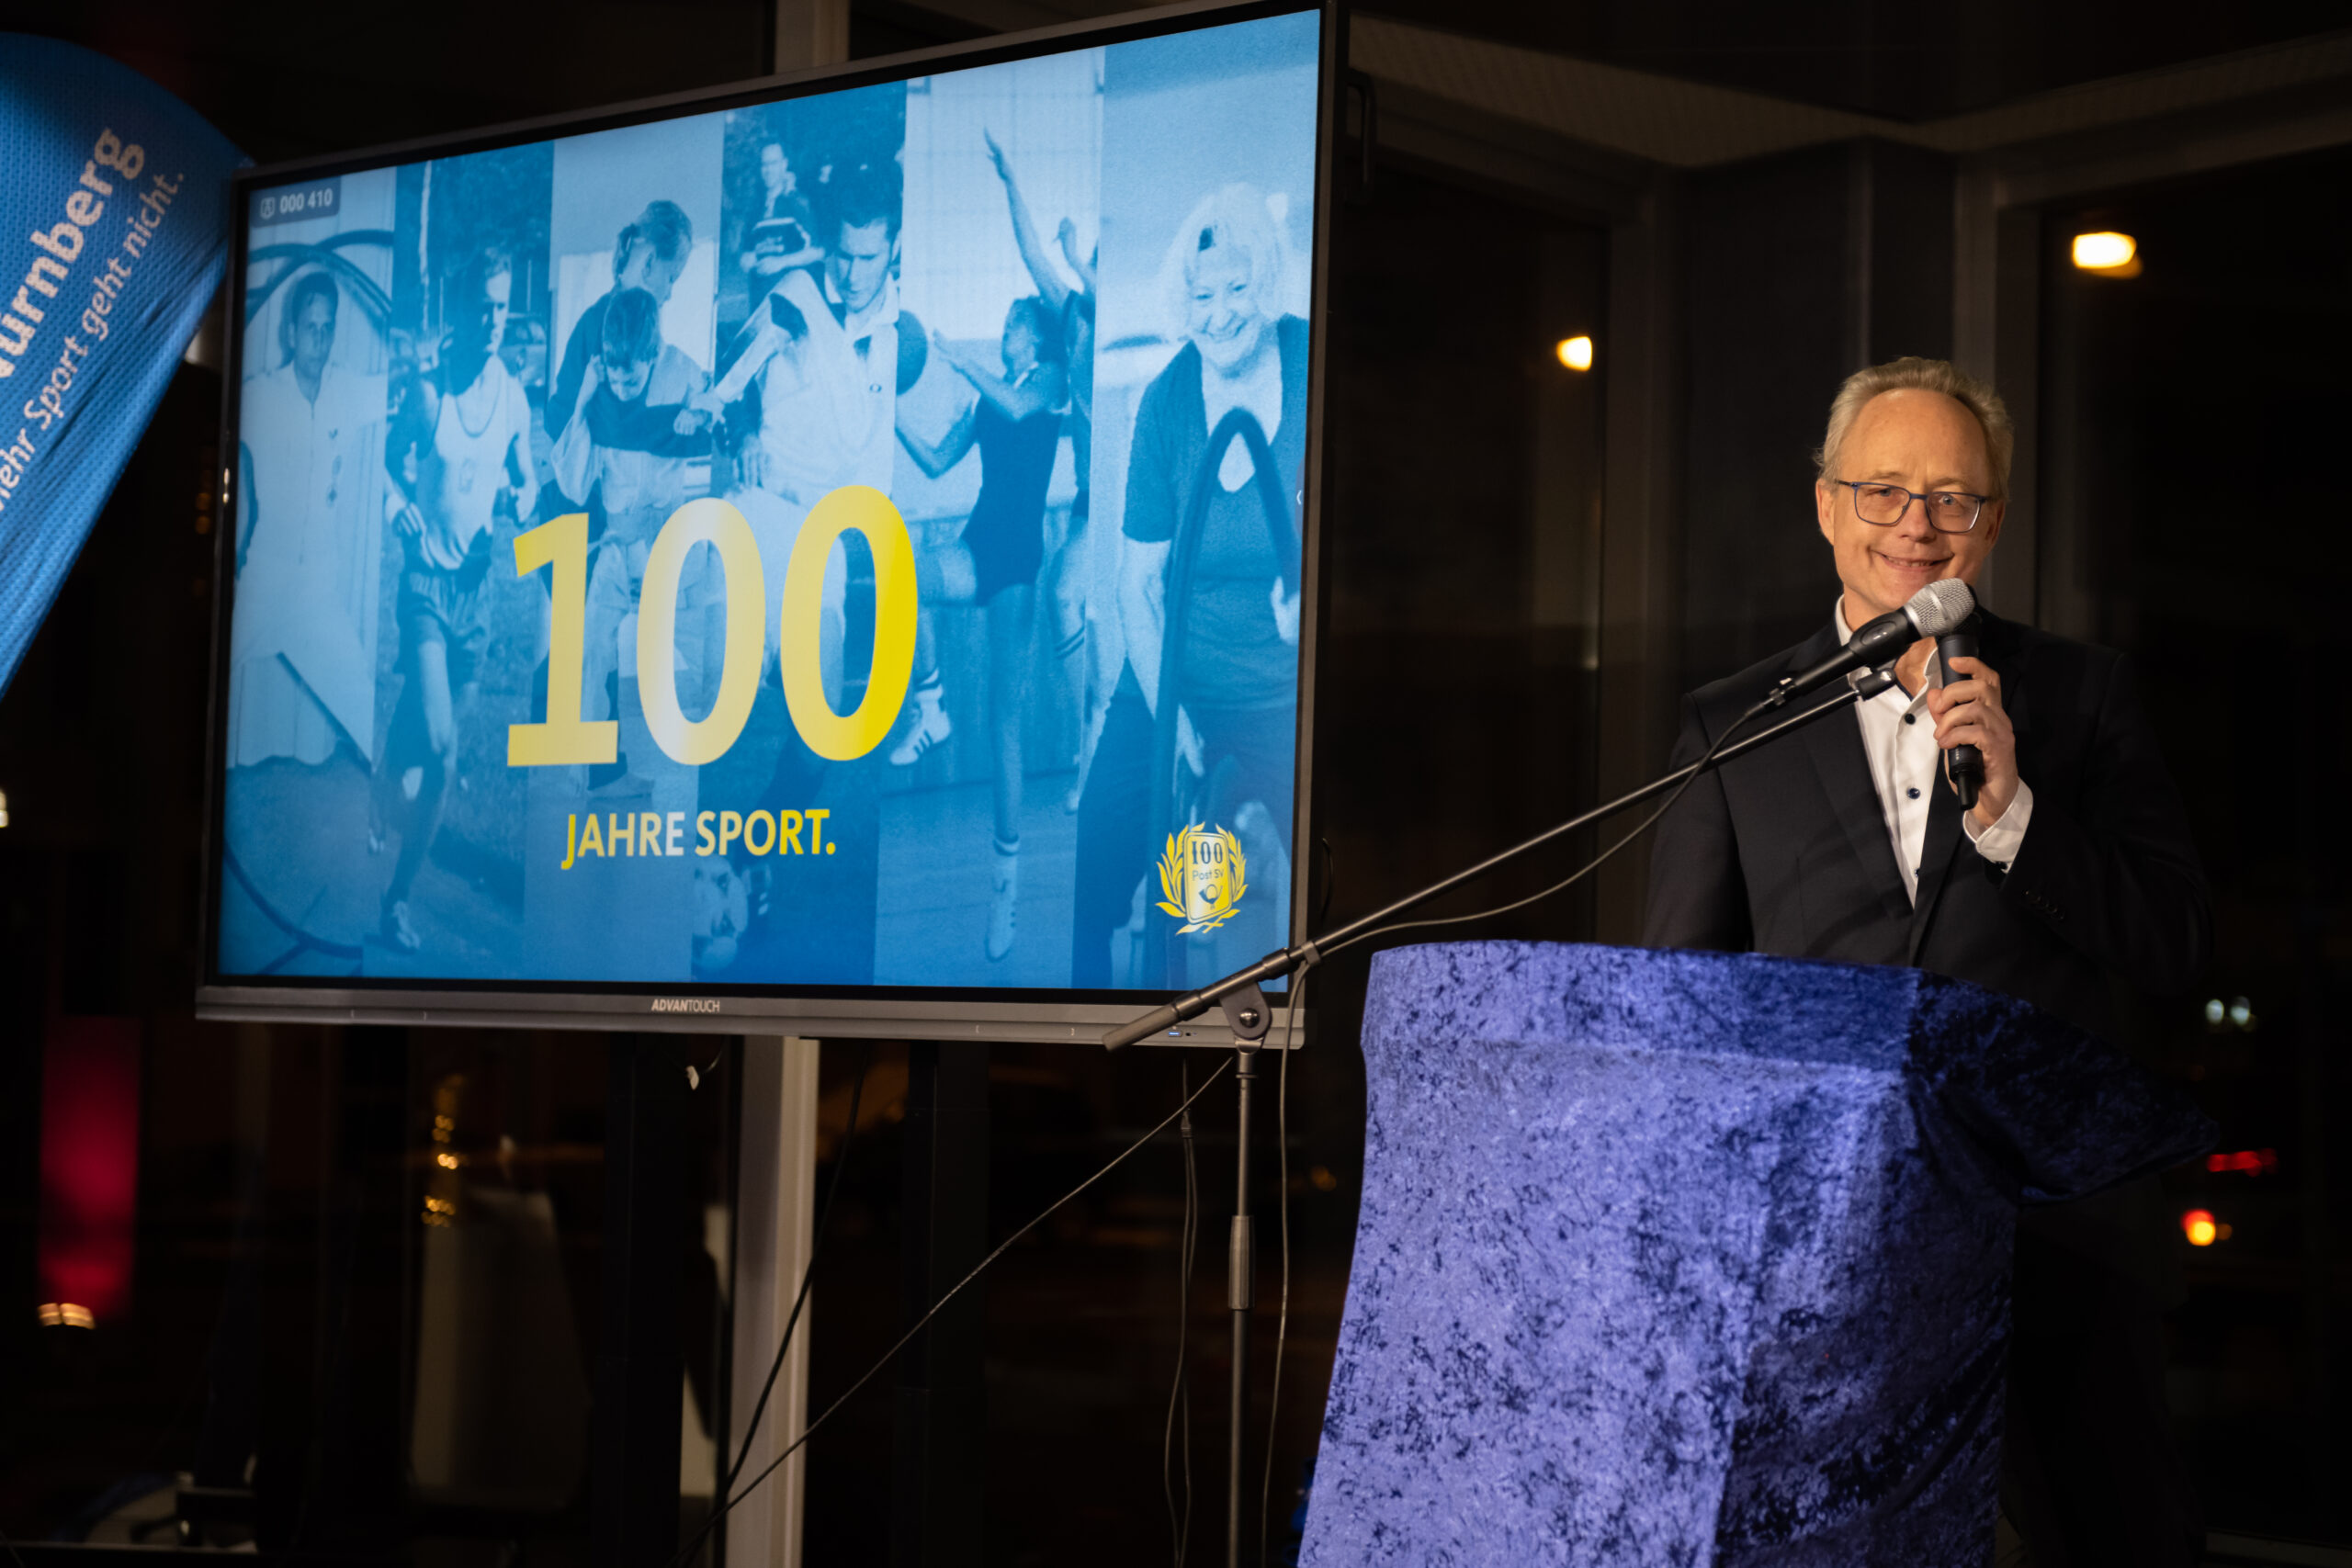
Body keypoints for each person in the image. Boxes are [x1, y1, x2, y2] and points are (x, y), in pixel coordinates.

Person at [1641, 356, 2211, 1568]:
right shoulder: (1735, 722)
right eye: (1884, 490)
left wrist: (2015, 816)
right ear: (1826, 504)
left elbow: (2173, 941)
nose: (1917, 524)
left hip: (2057, 1243)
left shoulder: (2082, 697)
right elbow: (1684, 1011)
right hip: (1823, 1256)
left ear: (1991, 523)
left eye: (1953, 497)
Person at [1069, 185, 1307, 989]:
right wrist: (1167, 712)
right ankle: (1087, 1033)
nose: (1220, 313)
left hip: (1284, 694)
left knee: (1336, 879)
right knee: (1097, 852)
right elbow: (1135, 584)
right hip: (1170, 677)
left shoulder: (1312, 366)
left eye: (1237, 289)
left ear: (1265, 282)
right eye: (1202, 296)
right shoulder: (1168, 400)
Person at [374, 244, 538, 953]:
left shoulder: (515, 397)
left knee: (423, 743)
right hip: (425, 587)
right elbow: (387, 462)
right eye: (484, 307)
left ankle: (384, 780)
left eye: (503, 306)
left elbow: (527, 480)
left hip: (477, 594)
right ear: (463, 311)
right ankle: (398, 900)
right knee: (443, 749)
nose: (495, 320)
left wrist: (523, 496)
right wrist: (397, 507)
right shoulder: (428, 393)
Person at [893, 296, 1069, 960]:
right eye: (1002, 324)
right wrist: (889, 416)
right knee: (903, 574)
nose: (1003, 332)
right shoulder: (987, 398)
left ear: (1037, 337)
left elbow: (1019, 407)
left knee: (1004, 722)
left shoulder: (1049, 382)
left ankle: (1005, 890)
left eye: (1012, 324)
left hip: (1018, 560)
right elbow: (938, 461)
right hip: (977, 543)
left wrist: (958, 357)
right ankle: (933, 705)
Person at [977, 130, 1101, 812]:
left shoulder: (1117, 319)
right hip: (1092, 497)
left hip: (1139, 494)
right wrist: (1010, 180)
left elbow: (1090, 280)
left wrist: (1080, 258)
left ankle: (1104, 737)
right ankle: (1090, 741)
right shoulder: (1073, 319)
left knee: (1072, 597)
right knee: (1062, 594)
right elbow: (1030, 251)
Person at [548, 287, 714, 784]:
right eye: (615, 379)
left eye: (633, 380)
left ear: (653, 353)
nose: (622, 390)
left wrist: (699, 411)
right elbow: (574, 484)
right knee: (589, 650)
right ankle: (584, 776)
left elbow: (717, 403)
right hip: (618, 548)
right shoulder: (599, 387)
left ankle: (714, 748)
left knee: (700, 653)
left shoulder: (682, 371)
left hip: (668, 543)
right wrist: (584, 399)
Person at [230, 267, 384, 767]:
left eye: (327, 328)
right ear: (291, 333)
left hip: (318, 588)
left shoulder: (347, 391)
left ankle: (399, 800)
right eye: (310, 327)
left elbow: (395, 386)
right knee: (203, 669)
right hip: (265, 579)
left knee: (360, 697)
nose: (319, 340)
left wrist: (419, 352)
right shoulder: (261, 395)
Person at [545, 200, 693, 448]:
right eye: (671, 278)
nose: (669, 294)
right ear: (649, 264)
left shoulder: (624, 319)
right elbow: (619, 426)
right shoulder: (606, 324)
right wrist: (687, 421)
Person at [736, 141, 820, 312]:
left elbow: (818, 251)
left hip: (793, 305)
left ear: (784, 164)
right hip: (760, 306)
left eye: (773, 163)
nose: (768, 170)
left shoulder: (798, 203)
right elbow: (745, 254)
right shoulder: (754, 210)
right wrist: (746, 259)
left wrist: (781, 262)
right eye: (764, 165)